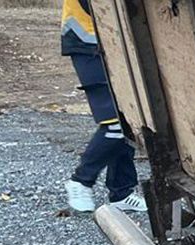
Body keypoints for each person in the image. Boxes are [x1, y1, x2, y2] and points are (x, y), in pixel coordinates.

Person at [61, 0, 146, 212]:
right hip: (87, 42)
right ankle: (81, 181)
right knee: (115, 122)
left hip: (111, 42)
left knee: (128, 120)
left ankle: (122, 192)